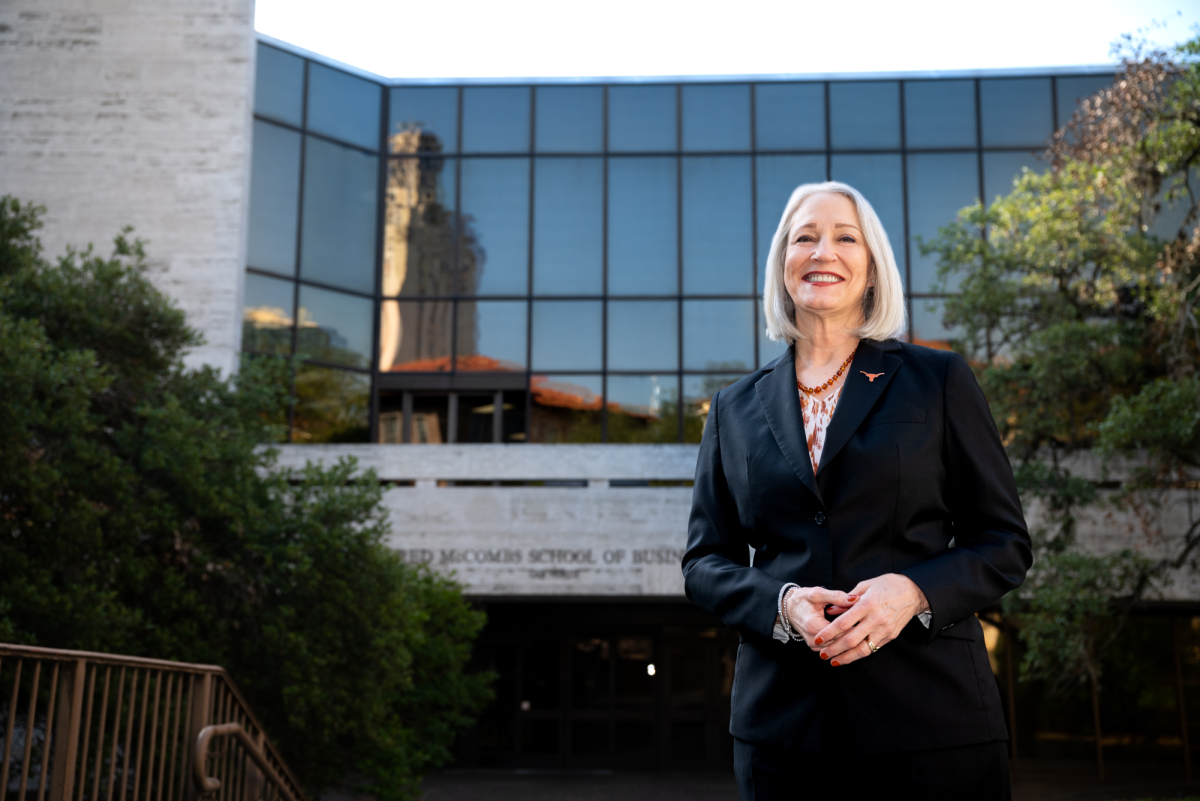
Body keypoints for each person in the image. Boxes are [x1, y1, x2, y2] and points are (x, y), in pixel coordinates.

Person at [681, 181, 1032, 800]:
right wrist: (781, 603)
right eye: (805, 238)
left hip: (932, 726)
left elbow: (1003, 542)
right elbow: (705, 562)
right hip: (783, 737)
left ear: (871, 268)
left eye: (846, 238)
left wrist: (913, 593)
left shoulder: (938, 380)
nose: (823, 252)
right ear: (783, 263)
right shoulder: (732, 408)